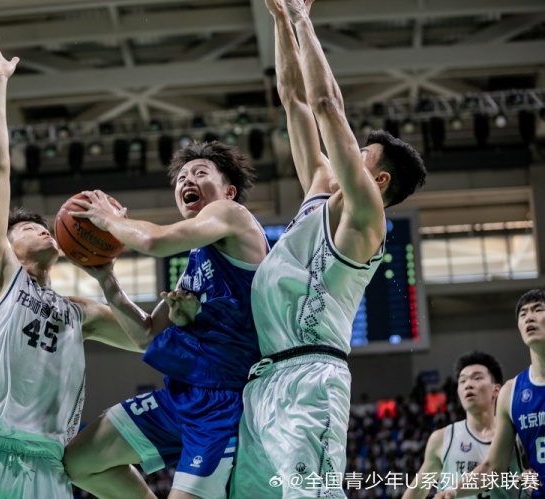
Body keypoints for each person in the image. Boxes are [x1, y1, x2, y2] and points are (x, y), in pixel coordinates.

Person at [0, 27, 142, 499]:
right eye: (27, 227)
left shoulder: (78, 312)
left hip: (44, 464)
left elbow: (147, 337)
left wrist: (109, 271)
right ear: (5, 244)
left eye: (45, 227)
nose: (42, 229)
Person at [230, 0, 427, 497]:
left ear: (378, 180)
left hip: (311, 379)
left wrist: (303, 20)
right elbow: (294, 100)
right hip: (263, 379)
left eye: (361, 154)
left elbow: (324, 104)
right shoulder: (319, 187)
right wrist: (279, 19)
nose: (348, 152)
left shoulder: (366, 216)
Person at [62, 140, 269, 498]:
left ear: (229, 191)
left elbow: (154, 241)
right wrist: (106, 278)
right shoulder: (197, 259)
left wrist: (108, 219)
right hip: (182, 395)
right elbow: (146, 334)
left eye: (200, 173)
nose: (187, 179)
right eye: (182, 177)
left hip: (224, 406)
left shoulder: (233, 216)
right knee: (79, 462)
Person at [436, 289, 545, 498]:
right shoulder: (511, 393)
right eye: (523, 314)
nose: (529, 317)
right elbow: (493, 467)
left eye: (537, 310)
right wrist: (453, 491)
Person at [402, 351, 525, 498]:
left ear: (497, 390)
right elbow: (418, 490)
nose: (468, 385)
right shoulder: (442, 439)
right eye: (462, 381)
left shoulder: (518, 434)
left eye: (477, 378)